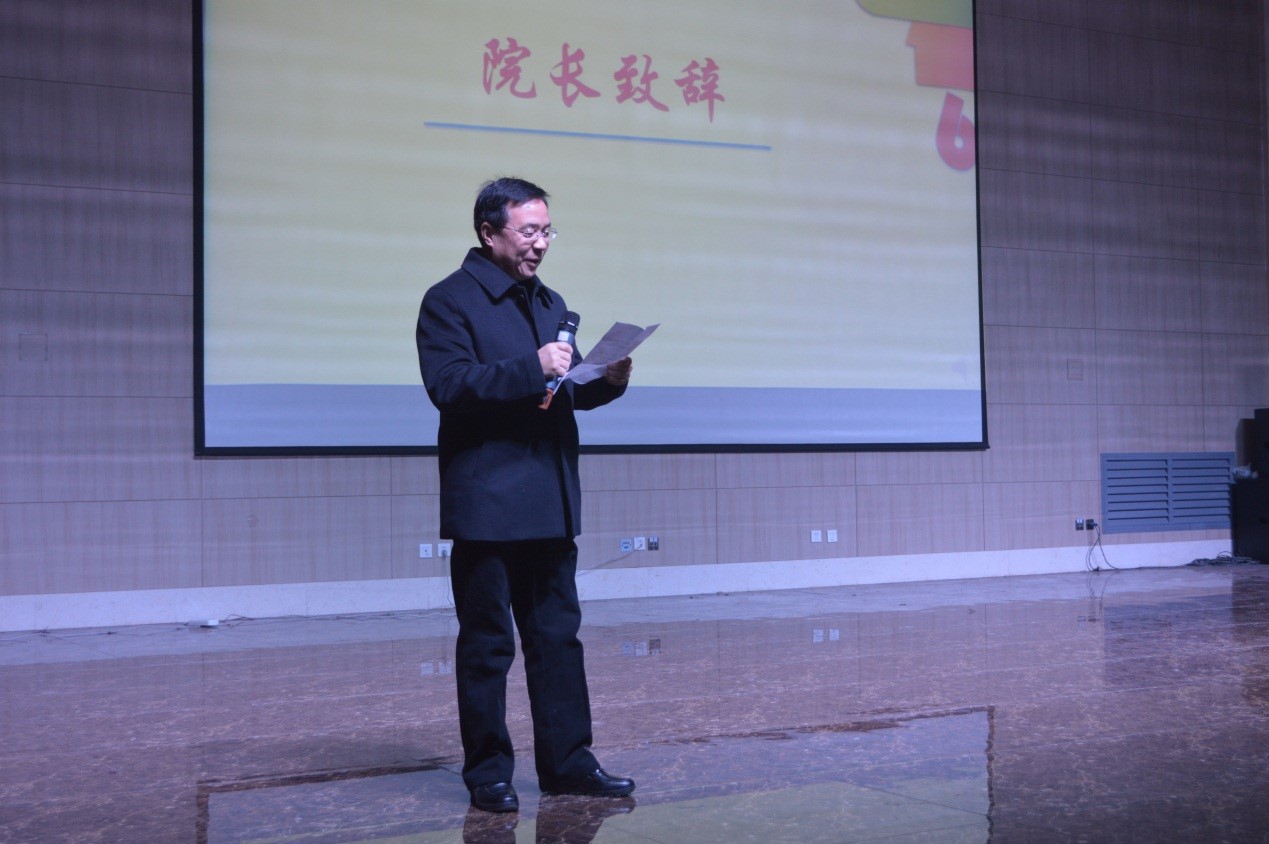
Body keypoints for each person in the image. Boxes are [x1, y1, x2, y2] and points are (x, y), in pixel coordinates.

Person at [416, 177, 636, 814]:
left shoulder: (550, 301)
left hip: (549, 500)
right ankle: (488, 773)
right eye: (529, 231)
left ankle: (570, 764)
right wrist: (533, 366)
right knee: (488, 646)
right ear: (489, 233)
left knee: (558, 640)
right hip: (487, 504)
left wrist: (606, 380)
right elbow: (449, 385)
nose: (541, 243)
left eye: (547, 231)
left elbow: (562, 392)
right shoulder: (448, 300)